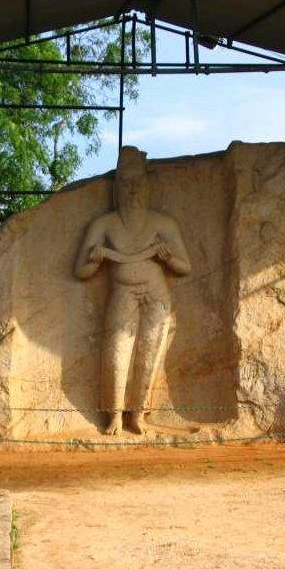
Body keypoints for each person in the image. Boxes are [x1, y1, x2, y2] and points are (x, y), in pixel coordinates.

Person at [74, 146, 191, 435]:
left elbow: (184, 266)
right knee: (117, 353)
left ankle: (138, 415)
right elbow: (81, 271)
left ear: (147, 185)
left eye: (137, 182)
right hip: (122, 294)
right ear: (116, 188)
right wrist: (96, 259)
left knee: (148, 353)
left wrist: (167, 258)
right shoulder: (105, 224)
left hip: (156, 296)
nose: (132, 190)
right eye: (126, 183)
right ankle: (114, 415)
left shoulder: (162, 223)